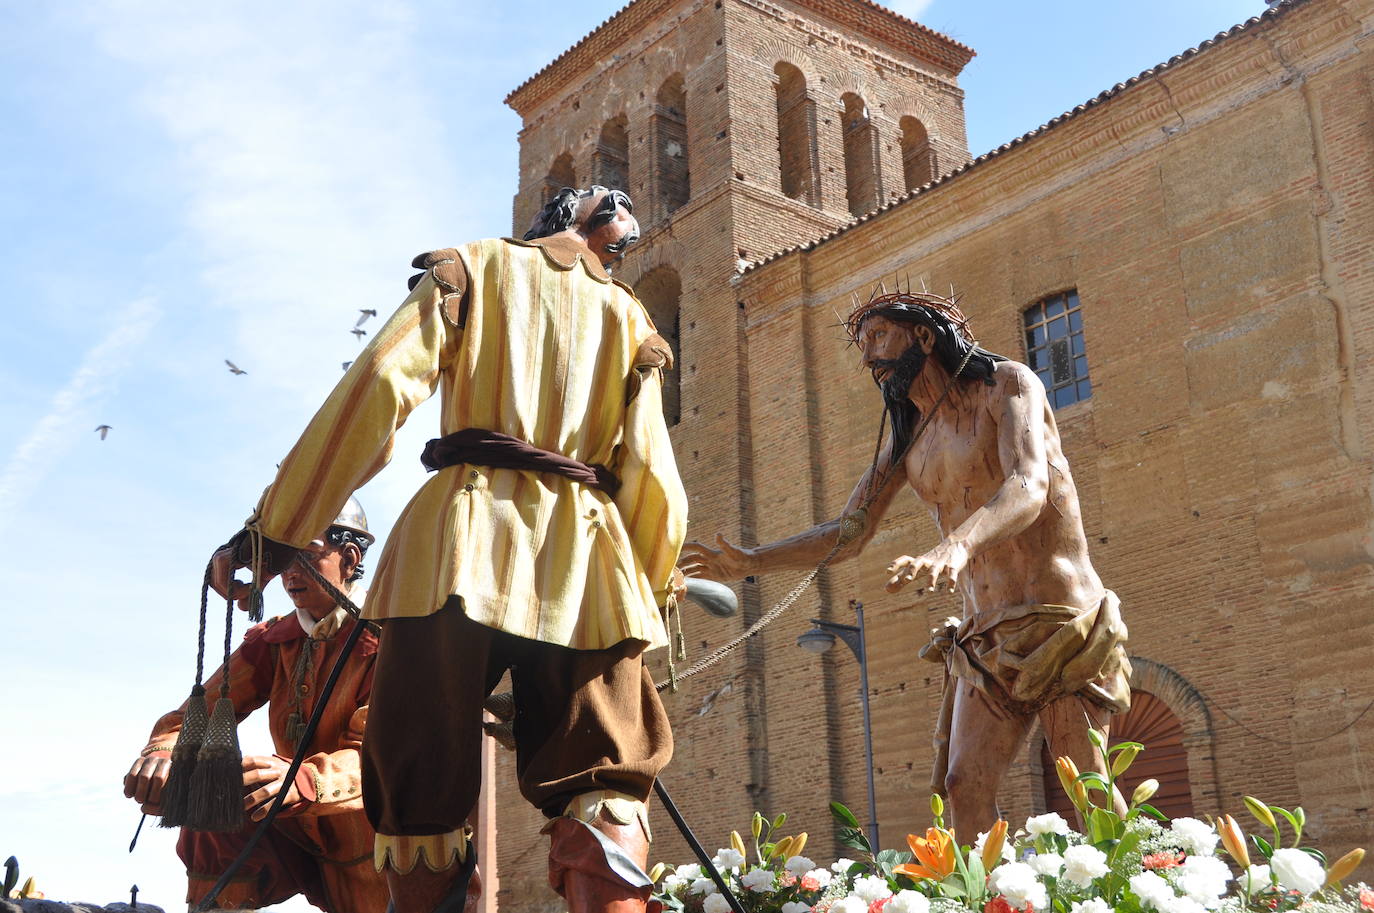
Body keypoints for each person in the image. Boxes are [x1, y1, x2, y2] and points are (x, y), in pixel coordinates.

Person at [207, 185, 688, 913]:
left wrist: (273, 530)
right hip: (589, 566)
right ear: (593, 234)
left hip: (452, 554)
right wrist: (646, 591)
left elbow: (374, 388)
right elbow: (654, 476)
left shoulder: (470, 270)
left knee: (419, 780)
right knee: (604, 778)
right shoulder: (633, 321)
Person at [679, 289, 1130, 837]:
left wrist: (955, 546)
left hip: (1058, 622)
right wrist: (752, 561)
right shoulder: (909, 433)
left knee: (1087, 785)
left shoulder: (1007, 385)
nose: (869, 354)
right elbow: (849, 533)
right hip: (985, 635)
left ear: (922, 334)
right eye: (862, 344)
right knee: (964, 787)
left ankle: (1138, 888)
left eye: (878, 336)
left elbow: (1028, 484)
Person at [125, 497, 389, 912]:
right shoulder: (275, 641)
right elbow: (197, 713)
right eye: (283, 560)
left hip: (383, 851)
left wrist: (304, 781)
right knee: (214, 796)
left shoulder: (395, 634)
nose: (291, 574)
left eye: (307, 555)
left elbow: (384, 757)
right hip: (305, 834)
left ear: (350, 557)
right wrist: (164, 751)